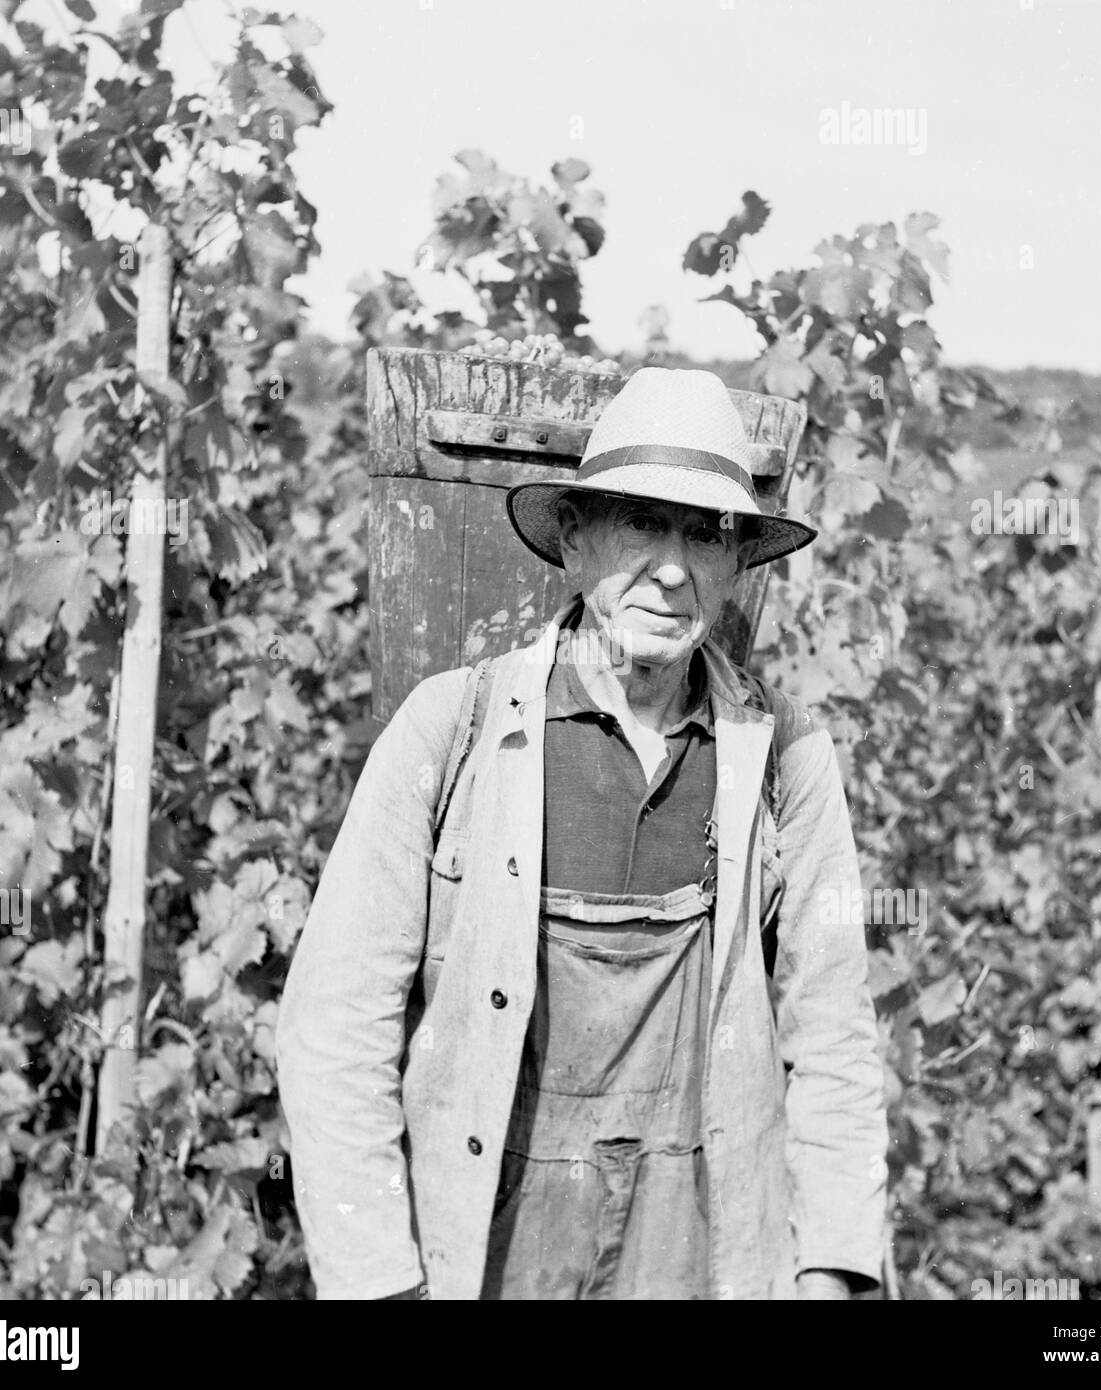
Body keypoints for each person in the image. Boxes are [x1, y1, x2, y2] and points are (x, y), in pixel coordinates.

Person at [276, 366, 887, 1300]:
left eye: (707, 534)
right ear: (573, 538)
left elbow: (834, 1034)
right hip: (485, 1256)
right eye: (642, 521)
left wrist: (831, 1271)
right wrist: (380, 1283)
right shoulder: (454, 732)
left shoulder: (785, 758)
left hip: (699, 1258)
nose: (674, 571)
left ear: (736, 564)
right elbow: (334, 1027)